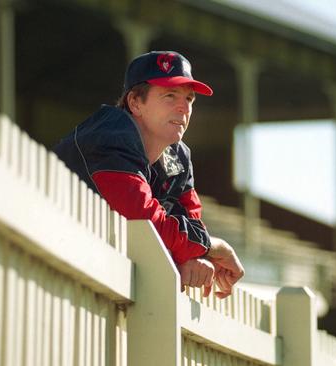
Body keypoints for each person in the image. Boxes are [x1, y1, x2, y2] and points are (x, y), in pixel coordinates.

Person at [54, 51, 244, 298]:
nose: (183, 107)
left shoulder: (178, 156)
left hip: (96, 281)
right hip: (45, 263)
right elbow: (144, 222)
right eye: (169, 95)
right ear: (135, 102)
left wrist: (190, 256)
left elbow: (189, 222)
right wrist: (211, 247)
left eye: (189, 98)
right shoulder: (110, 137)